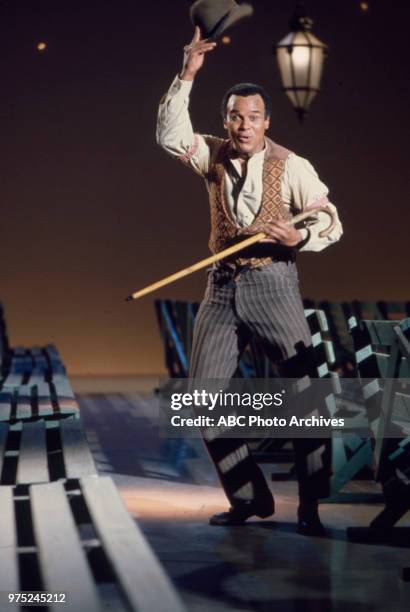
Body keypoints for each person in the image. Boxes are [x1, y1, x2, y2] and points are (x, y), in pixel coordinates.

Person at [156, 27, 343, 534]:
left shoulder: (292, 164)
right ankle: (249, 498)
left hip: (274, 284)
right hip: (221, 287)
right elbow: (169, 136)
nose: (244, 125)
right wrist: (186, 76)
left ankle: (310, 505)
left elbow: (330, 220)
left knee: (306, 396)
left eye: (254, 117)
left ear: (267, 122)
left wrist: (297, 239)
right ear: (227, 120)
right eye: (236, 117)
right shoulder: (211, 155)